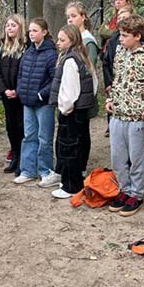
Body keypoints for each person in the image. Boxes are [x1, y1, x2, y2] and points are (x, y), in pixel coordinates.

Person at [106, 16, 144, 217]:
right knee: (118, 158)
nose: (120, 39)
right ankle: (124, 189)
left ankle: (136, 194)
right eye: (120, 34)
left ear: (137, 36)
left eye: (124, 35)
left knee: (137, 158)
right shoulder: (120, 53)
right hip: (118, 115)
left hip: (137, 118)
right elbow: (117, 79)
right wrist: (111, 99)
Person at [49, 24, 98, 199]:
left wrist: (64, 108)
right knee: (79, 145)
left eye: (62, 40)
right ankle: (74, 181)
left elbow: (69, 91)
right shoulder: (82, 56)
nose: (58, 43)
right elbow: (94, 83)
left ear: (72, 40)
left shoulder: (70, 60)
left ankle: (71, 186)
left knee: (69, 148)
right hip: (82, 110)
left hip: (71, 112)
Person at [13, 18, 58, 187]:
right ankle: (28, 170)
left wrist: (41, 95)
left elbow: (54, 79)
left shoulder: (51, 54)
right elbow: (21, 74)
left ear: (44, 32)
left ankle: (45, 171)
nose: (32, 34)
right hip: (27, 102)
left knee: (44, 138)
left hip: (43, 103)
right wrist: (21, 90)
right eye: (30, 31)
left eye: (35, 31)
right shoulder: (28, 52)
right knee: (29, 136)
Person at [0, 14, 27, 175]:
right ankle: (14, 155)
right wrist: (4, 90)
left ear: (20, 27)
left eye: (13, 25)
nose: (10, 28)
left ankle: (22, 158)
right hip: (7, 95)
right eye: (8, 25)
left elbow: (25, 73)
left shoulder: (25, 48)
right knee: (10, 127)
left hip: (20, 96)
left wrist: (17, 90)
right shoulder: (2, 48)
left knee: (21, 127)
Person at [102, 5, 135, 138]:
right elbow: (107, 62)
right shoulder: (113, 39)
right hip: (114, 83)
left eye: (124, 18)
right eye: (119, 18)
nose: (121, 20)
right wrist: (109, 83)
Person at [65, 1, 100, 67]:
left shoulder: (88, 41)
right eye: (68, 17)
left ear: (83, 17)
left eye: (73, 16)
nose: (70, 20)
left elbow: (90, 69)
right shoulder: (69, 40)